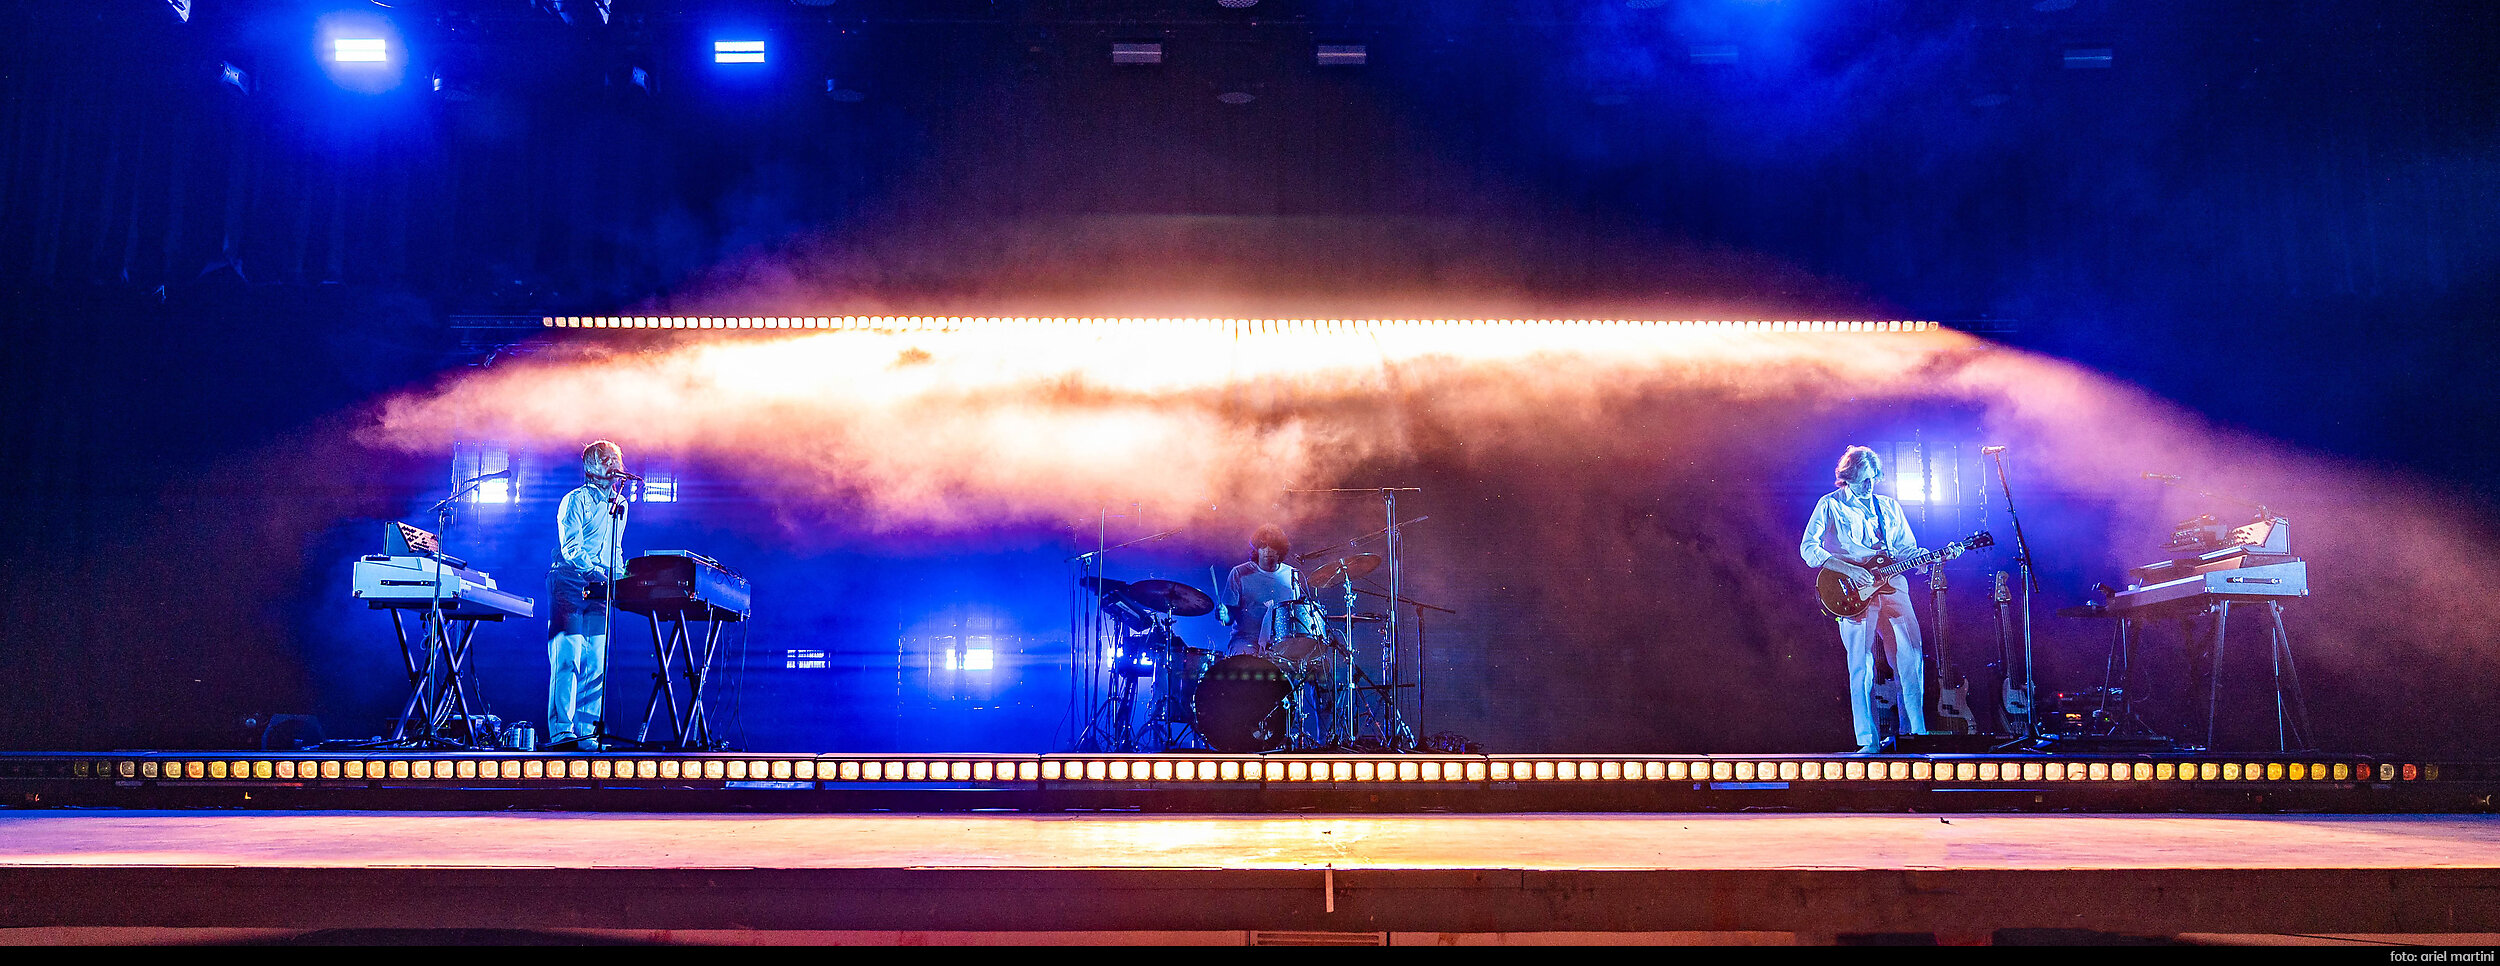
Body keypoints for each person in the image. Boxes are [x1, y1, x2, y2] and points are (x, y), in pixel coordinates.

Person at [1800, 445, 1929, 753]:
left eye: (1873, 479)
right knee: (1862, 665)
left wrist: (1924, 558)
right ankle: (1868, 742)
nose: (1869, 485)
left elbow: (1907, 549)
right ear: (1847, 478)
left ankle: (1915, 735)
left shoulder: (1889, 506)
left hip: (1893, 585)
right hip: (1851, 592)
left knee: (1911, 658)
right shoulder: (1830, 504)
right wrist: (1848, 569)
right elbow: (1808, 548)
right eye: (1862, 481)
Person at [547, 439, 629, 751]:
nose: (612, 463)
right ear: (590, 466)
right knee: (568, 657)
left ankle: (586, 734)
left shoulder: (620, 505)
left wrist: (621, 577)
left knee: (595, 662)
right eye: (605, 458)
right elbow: (571, 548)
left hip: (599, 588)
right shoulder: (575, 500)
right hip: (569, 582)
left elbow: (615, 549)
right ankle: (562, 733)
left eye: (615, 458)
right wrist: (597, 571)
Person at [1216, 524, 1302, 657]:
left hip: (1280, 642)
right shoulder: (1239, 573)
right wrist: (1223, 615)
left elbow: (1296, 615)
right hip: (1246, 639)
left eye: (1272, 546)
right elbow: (1229, 618)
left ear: (1280, 550)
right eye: (1263, 546)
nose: (1267, 550)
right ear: (1257, 549)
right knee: (1249, 666)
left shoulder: (1291, 574)